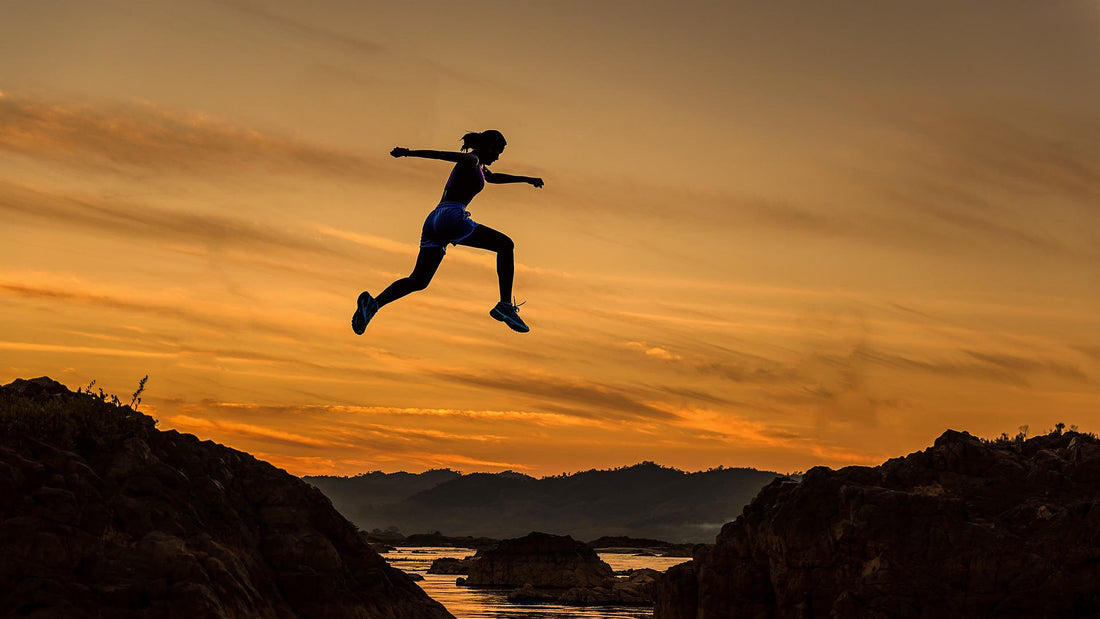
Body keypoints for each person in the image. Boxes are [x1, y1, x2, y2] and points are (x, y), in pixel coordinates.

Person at [352, 130, 544, 335]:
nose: (498, 155)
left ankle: (374, 304)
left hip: (434, 220)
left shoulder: (479, 166)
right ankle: (505, 305)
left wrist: (527, 179)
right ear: (487, 145)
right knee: (505, 245)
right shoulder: (471, 159)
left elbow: (494, 178)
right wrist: (408, 153)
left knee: (419, 280)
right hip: (451, 216)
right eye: (497, 150)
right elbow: (442, 155)